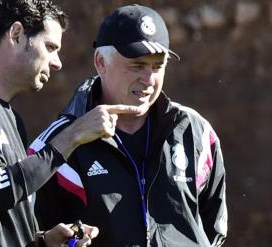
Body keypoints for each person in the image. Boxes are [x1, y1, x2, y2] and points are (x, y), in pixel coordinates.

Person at [0, 0, 141, 246]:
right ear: (17, 34)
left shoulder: (9, 117)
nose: (57, 62)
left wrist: (43, 241)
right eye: (50, 47)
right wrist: (73, 134)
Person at [30, 4, 228, 247]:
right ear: (100, 62)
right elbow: (24, 234)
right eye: (137, 65)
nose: (149, 79)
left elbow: (213, 231)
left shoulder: (196, 132)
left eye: (158, 66)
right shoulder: (56, 142)